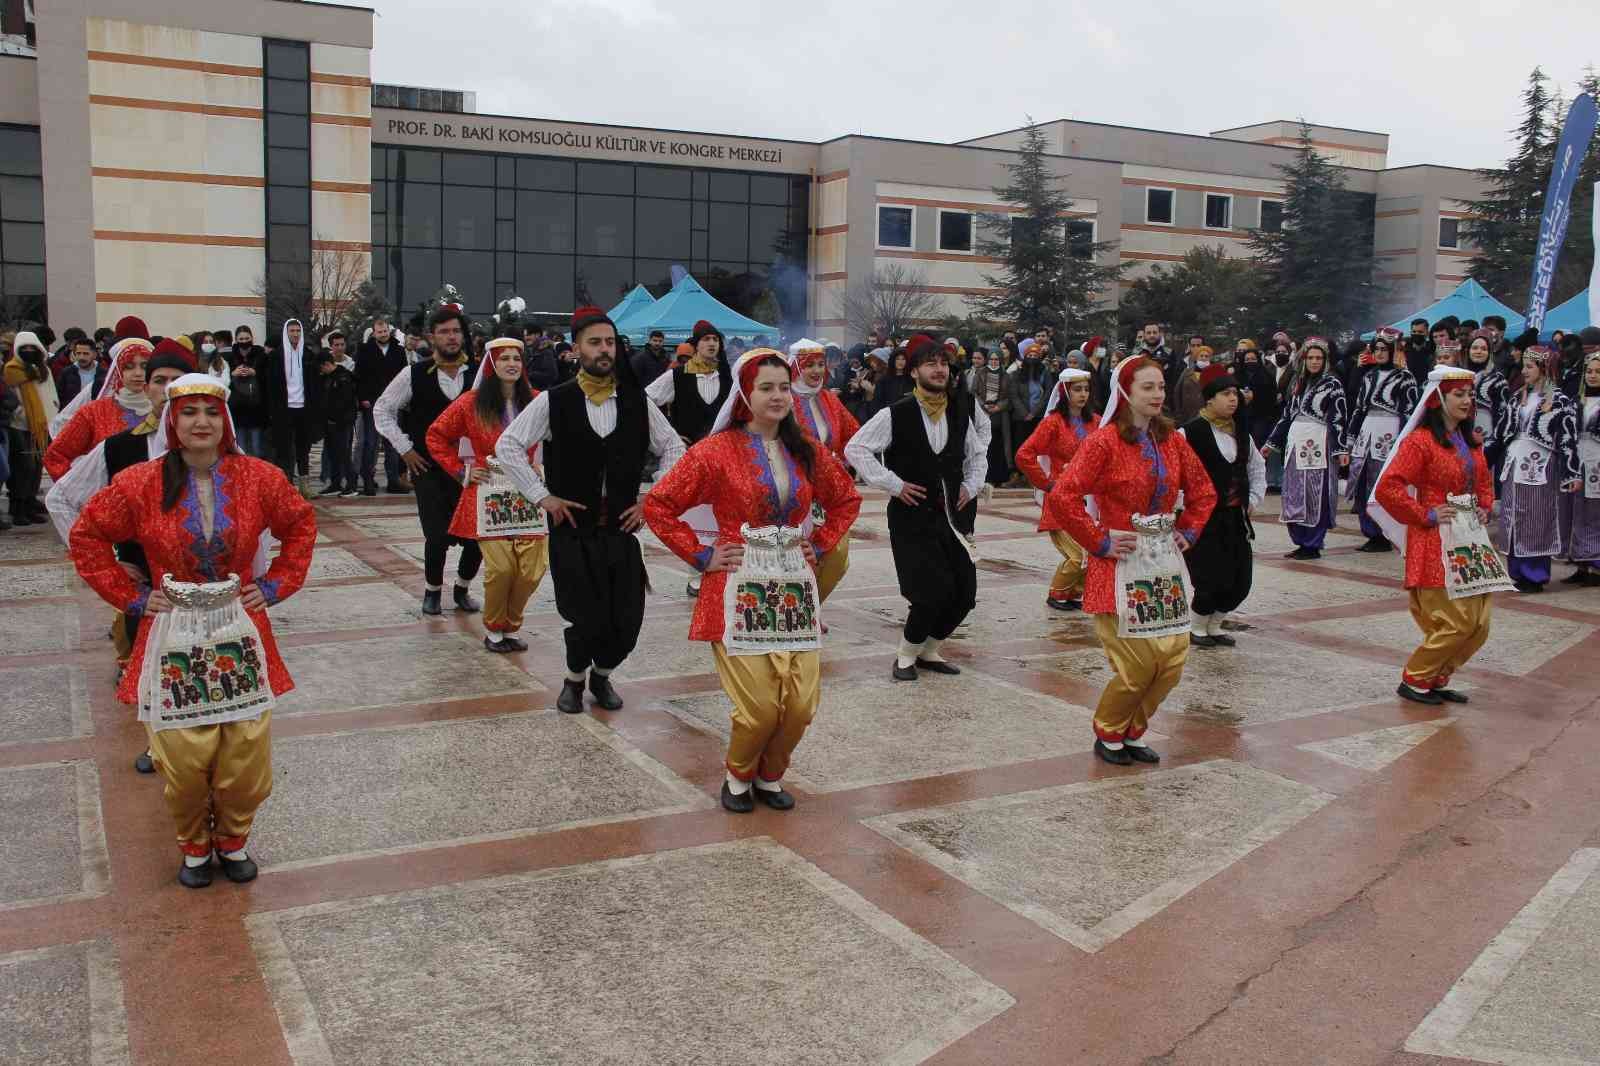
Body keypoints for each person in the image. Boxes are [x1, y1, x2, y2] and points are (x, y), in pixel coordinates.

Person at [68, 373, 315, 887]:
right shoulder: (139, 483)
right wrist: (133, 596)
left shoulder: (260, 478)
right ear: (171, 422)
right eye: (188, 412)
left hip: (239, 627)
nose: (201, 422)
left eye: (210, 412)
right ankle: (194, 843)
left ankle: (233, 837)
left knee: (246, 754)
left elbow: (300, 525)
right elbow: (87, 535)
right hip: (173, 630)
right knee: (182, 758)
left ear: (225, 420)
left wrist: (274, 585)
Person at [644, 348, 861, 813]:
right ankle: (739, 774)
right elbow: (659, 505)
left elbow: (846, 499)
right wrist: (703, 555)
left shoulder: (807, 449)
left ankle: (770, 774)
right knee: (760, 705)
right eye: (766, 388)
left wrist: (820, 543)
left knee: (800, 704)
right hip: (737, 586)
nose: (778, 396)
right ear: (745, 394)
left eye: (783, 387)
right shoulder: (715, 451)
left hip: (794, 585)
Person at [495, 306, 686, 713]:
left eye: (610, 343)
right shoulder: (555, 401)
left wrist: (652, 498)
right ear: (577, 348)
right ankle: (574, 679)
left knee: (627, 619)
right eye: (595, 342)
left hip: (619, 528)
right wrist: (541, 496)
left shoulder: (637, 401)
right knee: (583, 615)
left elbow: (674, 446)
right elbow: (507, 445)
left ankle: (602, 674)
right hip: (571, 529)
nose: (604, 350)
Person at [1046, 355, 1216, 764]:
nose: (1158, 394)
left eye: (1161, 386)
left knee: (1173, 659)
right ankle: (1109, 731)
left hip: (1163, 564)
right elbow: (1063, 496)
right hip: (1119, 565)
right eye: (1147, 387)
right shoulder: (1103, 442)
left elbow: (1204, 491)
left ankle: (1133, 730)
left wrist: (1188, 530)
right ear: (1126, 392)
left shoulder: (1173, 441)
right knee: (1138, 663)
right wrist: (1099, 540)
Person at [46, 345, 197, 744]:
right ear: (147, 388)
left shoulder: (217, 449)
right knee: (146, 670)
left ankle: (193, 755)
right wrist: (109, 566)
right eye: (159, 380)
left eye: (177, 381)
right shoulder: (120, 447)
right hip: (145, 586)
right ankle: (158, 747)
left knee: (198, 676)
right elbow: (61, 499)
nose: (168, 389)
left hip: (203, 588)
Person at [845, 334, 987, 681]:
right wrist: (893, 484)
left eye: (943, 363)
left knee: (964, 594)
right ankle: (906, 655)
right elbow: (856, 449)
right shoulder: (896, 413)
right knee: (929, 592)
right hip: (911, 519)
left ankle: (929, 650)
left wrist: (970, 486)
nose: (939, 369)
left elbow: (977, 454)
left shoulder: (959, 410)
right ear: (913, 372)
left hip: (952, 518)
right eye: (930, 363)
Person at [1369, 367, 1497, 705]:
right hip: (1436, 539)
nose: (1467, 401)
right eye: (1459, 394)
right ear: (1438, 399)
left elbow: (1484, 482)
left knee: (1479, 623)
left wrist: (1485, 507)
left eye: (1470, 394)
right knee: (1456, 620)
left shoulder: (1471, 441)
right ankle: (1416, 677)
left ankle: (1436, 675)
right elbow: (1388, 487)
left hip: (1470, 537)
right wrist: (1425, 514)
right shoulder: (1420, 441)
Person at [425, 337, 549, 652]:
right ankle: (495, 629)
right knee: (501, 567)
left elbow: (564, 435)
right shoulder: (471, 402)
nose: (512, 364)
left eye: (517, 358)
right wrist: (461, 471)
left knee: (532, 569)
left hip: (527, 491)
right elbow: (436, 436)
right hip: (489, 491)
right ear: (492, 364)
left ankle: (511, 626)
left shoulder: (537, 400)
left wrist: (543, 467)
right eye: (504, 358)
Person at [374, 304, 485, 614]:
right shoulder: (413, 374)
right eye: (444, 332)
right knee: (436, 535)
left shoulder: (479, 375)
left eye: (456, 331)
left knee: (477, 535)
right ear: (431, 337)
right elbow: (382, 410)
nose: (451, 337)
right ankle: (432, 591)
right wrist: (405, 449)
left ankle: (462, 589)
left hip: (472, 469)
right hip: (429, 467)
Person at [1180, 364, 1265, 646]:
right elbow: (1173, 473)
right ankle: (1197, 627)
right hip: (1203, 520)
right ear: (1209, 399)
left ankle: (1215, 625)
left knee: (1240, 580)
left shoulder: (1241, 433)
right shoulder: (1189, 433)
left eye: (1235, 394)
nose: (1233, 399)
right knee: (1208, 577)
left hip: (1235, 518)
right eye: (1226, 394)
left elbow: (1256, 468)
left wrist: (1253, 499)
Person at [1497, 345, 1580, 593]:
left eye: (1529, 366)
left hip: (1541, 465)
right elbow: (1503, 432)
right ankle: (1517, 572)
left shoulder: (1560, 401)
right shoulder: (1517, 397)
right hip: (1514, 462)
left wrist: (1571, 473)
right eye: (1523, 366)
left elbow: (1568, 439)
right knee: (1512, 515)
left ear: (1544, 368)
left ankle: (1534, 574)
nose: (1524, 371)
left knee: (1536, 518)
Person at [1016, 368, 1099, 611]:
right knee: (1078, 555)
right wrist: (1047, 484)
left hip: (1089, 500)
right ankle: (1057, 593)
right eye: (1077, 389)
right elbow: (1024, 454)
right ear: (1065, 392)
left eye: (1086, 389)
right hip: (1062, 500)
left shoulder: (1096, 421)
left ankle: (1075, 593)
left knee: (1092, 551)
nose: (1083, 394)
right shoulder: (1053, 423)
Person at [787, 339, 860, 602]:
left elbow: (855, 435)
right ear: (796, 367)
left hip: (829, 492)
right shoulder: (784, 400)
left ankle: (813, 605)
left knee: (836, 555)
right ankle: (802, 609)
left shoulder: (829, 399)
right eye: (810, 365)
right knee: (798, 554)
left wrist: (844, 462)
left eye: (820, 364)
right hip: (795, 489)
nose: (817, 370)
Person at [1264, 338, 1348, 560]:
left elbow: (1338, 418)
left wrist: (1340, 449)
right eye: (1310, 357)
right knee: (1293, 492)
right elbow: (1286, 415)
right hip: (1295, 441)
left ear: (1325, 360)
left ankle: (1313, 543)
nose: (1314, 362)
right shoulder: (1298, 382)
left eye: (1319, 358)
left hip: (1318, 442)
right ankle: (1300, 541)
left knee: (1314, 493)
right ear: (1303, 359)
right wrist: (1271, 443)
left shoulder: (1333, 384)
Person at [1344, 334, 1419, 553]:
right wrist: (1350, 437)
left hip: (1389, 434)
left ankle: (1384, 533)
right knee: (1362, 484)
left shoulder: (1405, 378)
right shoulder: (1369, 376)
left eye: (1384, 349)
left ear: (1393, 351)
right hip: (1366, 434)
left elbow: (1409, 412)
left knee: (1382, 484)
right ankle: (1370, 532)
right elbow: (1359, 409)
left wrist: (1403, 442)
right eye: (1376, 349)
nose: (1379, 353)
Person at [44, 338, 155, 482]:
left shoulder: (164, 411)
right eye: (129, 367)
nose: (138, 373)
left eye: (145, 366)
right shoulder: (94, 413)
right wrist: (78, 486)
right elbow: (56, 455)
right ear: (118, 371)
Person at [4, 331, 60, 527]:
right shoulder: (12, 370)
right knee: (22, 468)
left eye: (32, 348)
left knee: (36, 467)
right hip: (19, 426)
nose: (29, 351)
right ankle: (17, 507)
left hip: (41, 426)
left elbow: (51, 394)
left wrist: (52, 413)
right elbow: (11, 398)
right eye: (24, 348)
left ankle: (29, 503)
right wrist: (21, 413)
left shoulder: (44, 370)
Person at [263, 318, 323, 496]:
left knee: (304, 448)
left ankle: (304, 486)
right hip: (284, 409)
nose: (295, 334)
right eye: (292, 331)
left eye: (298, 331)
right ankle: (286, 486)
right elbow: (270, 387)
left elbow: (315, 385)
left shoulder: (308, 356)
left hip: (304, 409)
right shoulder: (276, 357)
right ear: (286, 333)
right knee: (284, 449)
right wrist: (273, 411)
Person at [355, 315, 408, 495]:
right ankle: (368, 481)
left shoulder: (398, 350)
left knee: (392, 443)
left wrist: (402, 398)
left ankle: (393, 480)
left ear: (389, 330)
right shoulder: (364, 350)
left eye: (385, 331)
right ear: (374, 333)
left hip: (393, 402)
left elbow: (404, 376)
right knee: (370, 443)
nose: (383, 334)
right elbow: (359, 376)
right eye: (379, 332)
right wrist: (362, 398)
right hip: (371, 403)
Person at [1564, 353, 1600, 586]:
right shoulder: (1577, 401)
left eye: (1598, 372)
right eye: (1590, 371)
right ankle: (1581, 563)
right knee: (1577, 510)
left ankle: (1597, 565)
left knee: (1596, 512)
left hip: (1598, 459)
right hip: (1578, 459)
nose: (1592, 376)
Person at [317, 331, 359, 497]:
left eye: (322, 368)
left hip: (342, 423)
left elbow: (345, 402)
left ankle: (352, 484)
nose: (321, 371)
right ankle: (335, 484)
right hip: (330, 423)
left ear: (327, 364)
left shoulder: (343, 377)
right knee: (332, 454)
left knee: (344, 454)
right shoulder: (329, 377)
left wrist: (337, 418)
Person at [969, 348, 1012, 484]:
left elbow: (1009, 397)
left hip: (999, 415)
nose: (994, 362)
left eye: (996, 359)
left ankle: (999, 477)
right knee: (984, 447)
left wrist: (999, 406)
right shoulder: (980, 373)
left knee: (998, 447)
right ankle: (985, 478)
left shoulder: (1006, 376)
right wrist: (983, 405)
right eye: (991, 359)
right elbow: (973, 392)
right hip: (983, 412)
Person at [227, 325, 269, 459]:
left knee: (257, 449)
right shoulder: (230, 357)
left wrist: (255, 372)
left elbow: (268, 378)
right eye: (241, 339)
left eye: (247, 338)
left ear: (252, 338)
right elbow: (223, 381)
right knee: (241, 450)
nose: (244, 341)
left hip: (256, 409)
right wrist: (233, 373)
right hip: (237, 409)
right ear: (236, 340)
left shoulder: (261, 355)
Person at [55, 335, 107, 410]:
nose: (81, 357)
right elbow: (59, 398)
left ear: (95, 355)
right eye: (78, 353)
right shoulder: (66, 373)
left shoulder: (104, 374)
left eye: (86, 354)